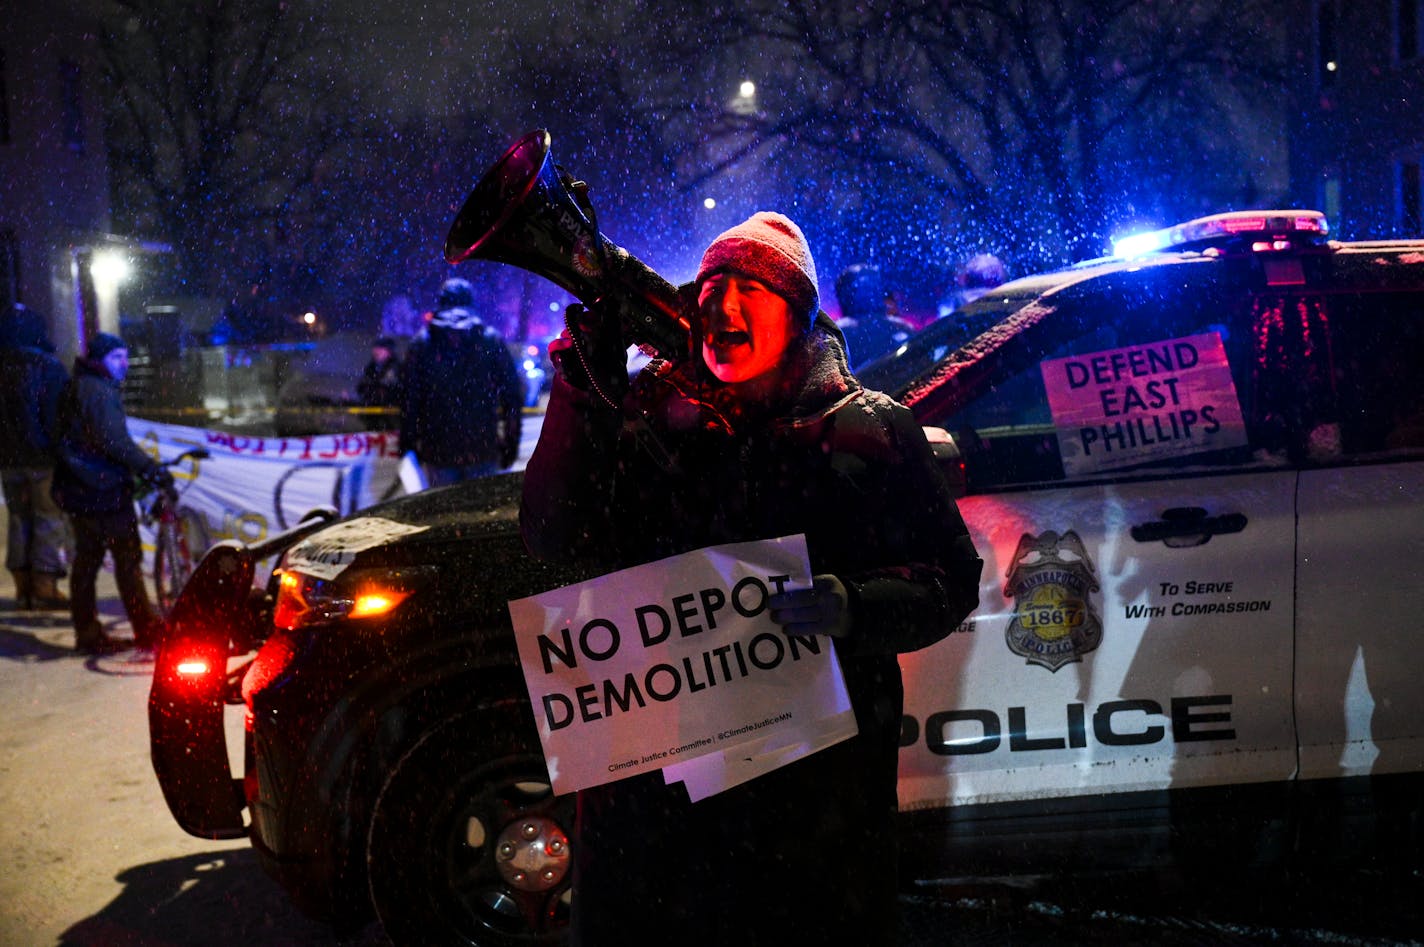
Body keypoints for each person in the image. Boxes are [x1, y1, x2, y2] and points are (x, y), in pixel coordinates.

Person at [521, 212, 982, 946]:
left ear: (797, 312)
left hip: (809, 810)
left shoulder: (871, 430)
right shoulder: (647, 419)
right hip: (655, 812)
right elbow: (552, 533)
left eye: (750, 288)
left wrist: (852, 606)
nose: (724, 308)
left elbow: (949, 579)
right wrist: (581, 390)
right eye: (712, 287)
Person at [51, 333, 169, 654]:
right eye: (117, 357)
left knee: (87, 561)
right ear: (100, 360)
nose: (125, 364)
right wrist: (150, 468)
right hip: (101, 489)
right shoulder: (97, 392)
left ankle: (88, 633)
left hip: (81, 487)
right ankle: (145, 628)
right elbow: (114, 441)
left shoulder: (81, 386)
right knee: (126, 560)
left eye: (126, 357)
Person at [399, 279, 522, 486]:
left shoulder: (423, 343)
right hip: (482, 447)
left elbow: (410, 398)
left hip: (439, 450)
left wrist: (409, 443)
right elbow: (512, 396)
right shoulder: (490, 340)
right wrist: (511, 442)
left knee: (443, 515)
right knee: (483, 514)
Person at [0, 303, 72, 610]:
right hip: (42, 457)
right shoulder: (48, 366)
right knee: (48, 518)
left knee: (19, 518)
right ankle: (44, 585)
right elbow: (59, 414)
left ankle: (22, 584)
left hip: (7, 459)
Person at [833, 262, 914, 370]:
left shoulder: (900, 325)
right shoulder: (840, 332)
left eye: (874, 284)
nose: (872, 291)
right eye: (865, 286)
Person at [356, 335, 402, 430]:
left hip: (390, 416)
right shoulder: (371, 368)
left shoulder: (395, 368)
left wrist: (373, 390)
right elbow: (361, 386)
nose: (376, 351)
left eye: (380, 348)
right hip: (372, 414)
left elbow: (389, 388)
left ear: (389, 352)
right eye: (375, 348)